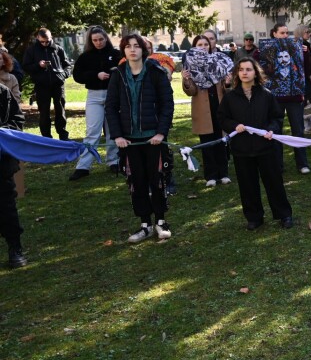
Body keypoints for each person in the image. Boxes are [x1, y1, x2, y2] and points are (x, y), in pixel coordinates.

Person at [105, 34, 174, 243]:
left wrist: (161, 133)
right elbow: (110, 107)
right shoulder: (118, 74)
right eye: (128, 46)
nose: (132, 50)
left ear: (144, 50)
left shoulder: (155, 71)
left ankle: (161, 222)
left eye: (137, 46)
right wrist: (117, 135)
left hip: (153, 138)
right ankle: (144, 224)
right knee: (137, 181)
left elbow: (167, 104)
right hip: (129, 140)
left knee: (157, 179)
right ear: (123, 50)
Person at [218, 57, 294, 230]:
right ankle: (254, 217)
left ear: (255, 72)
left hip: (266, 148)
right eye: (241, 69)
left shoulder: (266, 95)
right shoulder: (230, 97)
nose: (245, 72)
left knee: (274, 183)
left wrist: (271, 130)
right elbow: (222, 118)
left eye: (249, 69)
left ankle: (284, 215)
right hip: (241, 149)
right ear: (237, 73)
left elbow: (277, 117)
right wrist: (233, 126)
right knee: (247, 185)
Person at [258, 23, 311, 174]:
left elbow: (305, 71)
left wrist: (305, 53)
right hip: (275, 99)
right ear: (274, 34)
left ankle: (302, 164)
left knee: (298, 131)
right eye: (282, 33)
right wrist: (259, 53)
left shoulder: (297, 48)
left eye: (287, 33)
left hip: (294, 98)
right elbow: (260, 69)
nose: (285, 36)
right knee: (275, 132)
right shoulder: (268, 50)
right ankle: (277, 164)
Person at [70, 27, 120, 181]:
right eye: (95, 40)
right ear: (91, 41)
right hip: (94, 96)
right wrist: (95, 75)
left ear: (106, 38)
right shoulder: (85, 56)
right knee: (92, 131)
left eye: (101, 39)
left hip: (113, 96)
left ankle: (114, 161)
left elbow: (124, 71)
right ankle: (83, 166)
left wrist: (112, 74)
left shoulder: (115, 54)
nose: (98, 42)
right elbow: (77, 75)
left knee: (113, 130)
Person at [182, 35, 231, 187]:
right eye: (199, 44)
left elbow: (227, 89)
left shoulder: (219, 61)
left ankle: (223, 173)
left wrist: (228, 83)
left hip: (219, 107)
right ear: (194, 46)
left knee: (221, 141)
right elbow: (191, 92)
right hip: (203, 110)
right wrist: (186, 80)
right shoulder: (190, 64)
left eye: (205, 44)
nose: (203, 47)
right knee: (207, 143)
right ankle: (210, 175)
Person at [22, 28, 71, 140]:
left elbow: (68, 65)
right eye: (42, 41)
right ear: (38, 38)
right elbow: (26, 67)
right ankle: (46, 137)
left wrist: (63, 75)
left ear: (51, 38)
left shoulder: (58, 49)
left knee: (60, 110)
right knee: (44, 112)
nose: (45, 43)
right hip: (41, 85)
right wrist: (38, 65)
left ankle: (63, 135)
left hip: (58, 84)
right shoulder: (32, 50)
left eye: (47, 41)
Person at [0, 81, 26, 267]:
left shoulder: (3, 92)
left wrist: (3, 131)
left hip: (1, 163)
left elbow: (17, 122)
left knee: (6, 206)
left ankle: (15, 249)